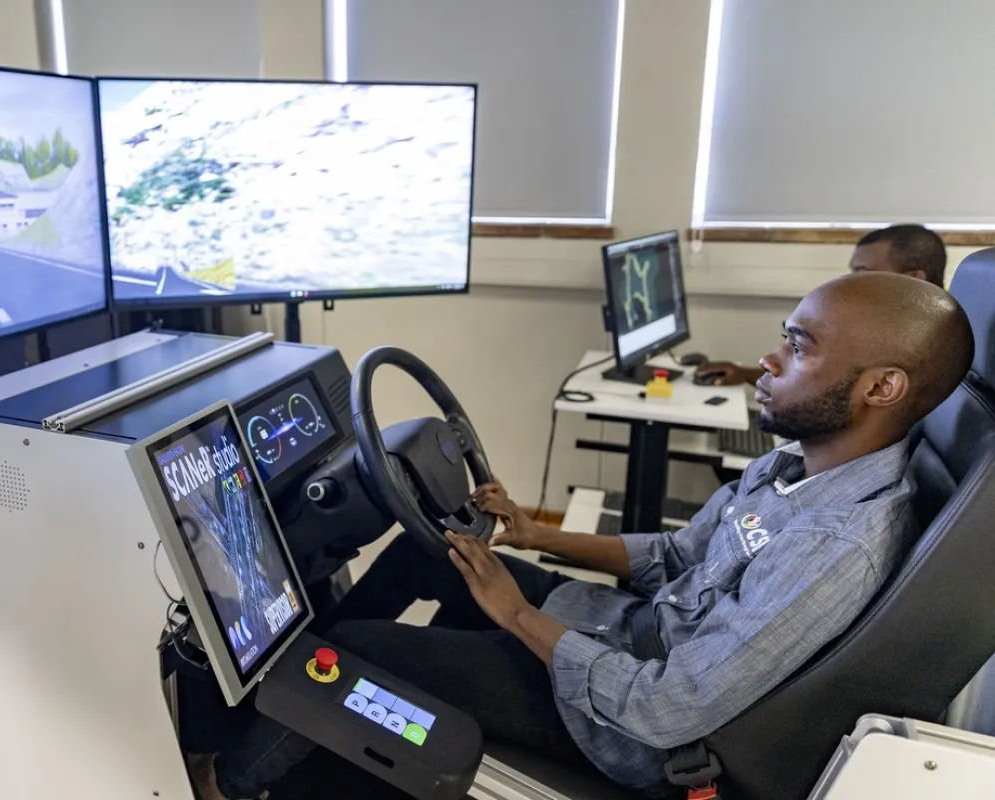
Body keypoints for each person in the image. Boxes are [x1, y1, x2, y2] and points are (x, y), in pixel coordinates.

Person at [192, 271, 974, 800]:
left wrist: (515, 615)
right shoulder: (793, 465)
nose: (768, 360)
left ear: (882, 386)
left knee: (359, 649)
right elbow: (673, 557)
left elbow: (667, 711)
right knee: (426, 553)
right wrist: (536, 533)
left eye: (800, 347)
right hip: (627, 634)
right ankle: (275, 708)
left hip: (625, 730)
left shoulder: (835, 546)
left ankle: (231, 780)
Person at [695, 223, 948, 386]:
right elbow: (821, 380)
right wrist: (745, 375)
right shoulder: (891, 327)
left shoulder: (926, 352)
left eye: (863, 272)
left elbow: (827, 393)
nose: (850, 282)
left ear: (914, 279)